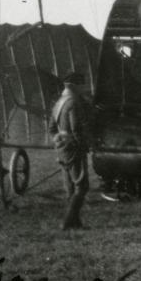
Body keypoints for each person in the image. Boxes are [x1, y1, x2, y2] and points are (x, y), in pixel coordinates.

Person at [49, 72, 91, 229]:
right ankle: (67, 221)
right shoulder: (74, 103)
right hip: (74, 148)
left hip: (61, 148)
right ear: (76, 86)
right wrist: (84, 144)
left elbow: (52, 129)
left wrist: (59, 140)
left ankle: (75, 221)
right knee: (82, 186)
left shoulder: (59, 102)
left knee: (70, 187)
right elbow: (76, 130)